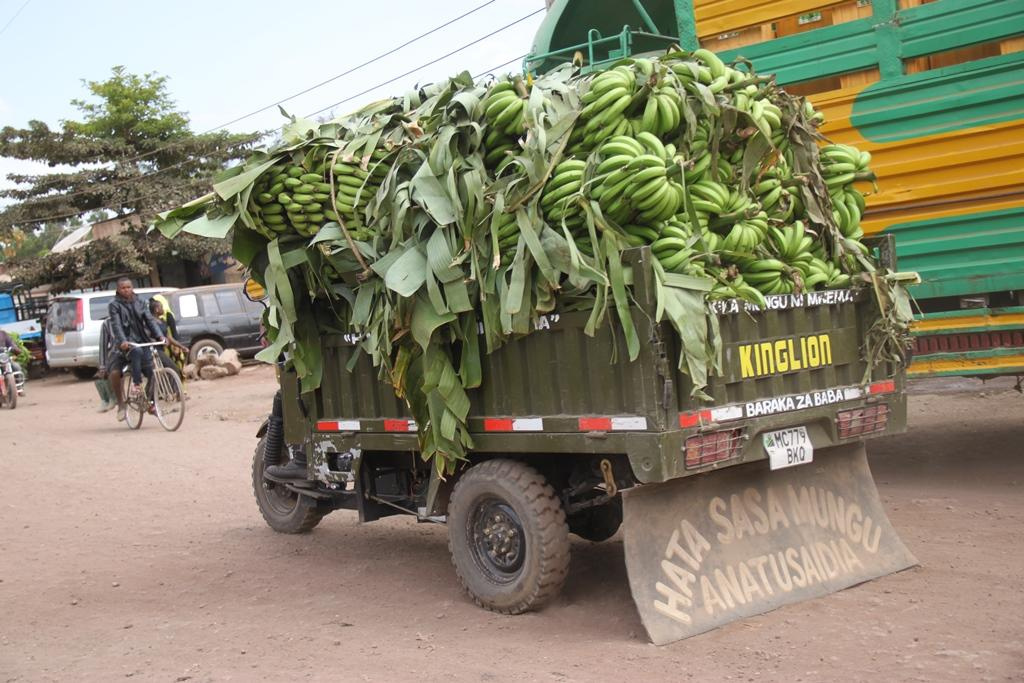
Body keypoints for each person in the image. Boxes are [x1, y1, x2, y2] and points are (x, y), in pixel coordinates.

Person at [107, 277, 168, 422]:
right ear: (118, 290)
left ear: (132, 288)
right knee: (135, 353)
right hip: (125, 344)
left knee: (152, 371)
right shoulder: (114, 305)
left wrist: (160, 336)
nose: (126, 290)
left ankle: (150, 402)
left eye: (128, 287)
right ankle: (135, 385)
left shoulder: (140, 302)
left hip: (142, 340)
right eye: (123, 288)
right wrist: (123, 340)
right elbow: (116, 325)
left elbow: (150, 320)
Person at [148, 297, 188, 376]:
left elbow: (169, 337)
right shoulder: (150, 323)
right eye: (161, 307)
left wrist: (181, 346)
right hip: (155, 350)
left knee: (168, 371)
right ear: (156, 309)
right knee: (173, 369)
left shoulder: (162, 321)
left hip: (162, 350)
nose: (163, 309)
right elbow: (147, 336)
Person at [93, 318, 116, 412]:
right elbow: (103, 346)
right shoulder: (107, 323)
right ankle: (108, 399)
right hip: (116, 354)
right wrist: (102, 366)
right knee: (100, 376)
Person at [0, 328, 27, 395]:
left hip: (3, 358)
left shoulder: (3, 333)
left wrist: (15, 349)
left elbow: (11, 344)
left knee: (16, 366)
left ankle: (19, 387)